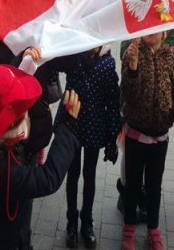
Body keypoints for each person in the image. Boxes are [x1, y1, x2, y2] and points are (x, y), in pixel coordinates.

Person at [0, 54, 81, 250]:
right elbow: (49, 178)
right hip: (7, 242)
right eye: (23, 113)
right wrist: (67, 127)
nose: (28, 114)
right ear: (12, 129)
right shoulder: (4, 172)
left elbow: (2, 92)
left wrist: (26, 58)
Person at [120, 32, 174, 250]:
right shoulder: (133, 54)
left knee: (154, 185)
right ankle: (129, 227)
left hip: (160, 138)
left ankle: (153, 228)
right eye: (145, 29)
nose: (150, 33)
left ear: (165, 33)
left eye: (155, 29)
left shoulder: (169, 59)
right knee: (132, 183)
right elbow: (128, 95)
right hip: (135, 134)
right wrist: (132, 66)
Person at [63, 45, 121, 249]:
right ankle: (71, 219)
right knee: (73, 173)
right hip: (72, 122)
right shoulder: (73, 56)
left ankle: (87, 221)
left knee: (89, 174)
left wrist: (113, 133)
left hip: (95, 126)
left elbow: (113, 99)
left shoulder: (107, 63)